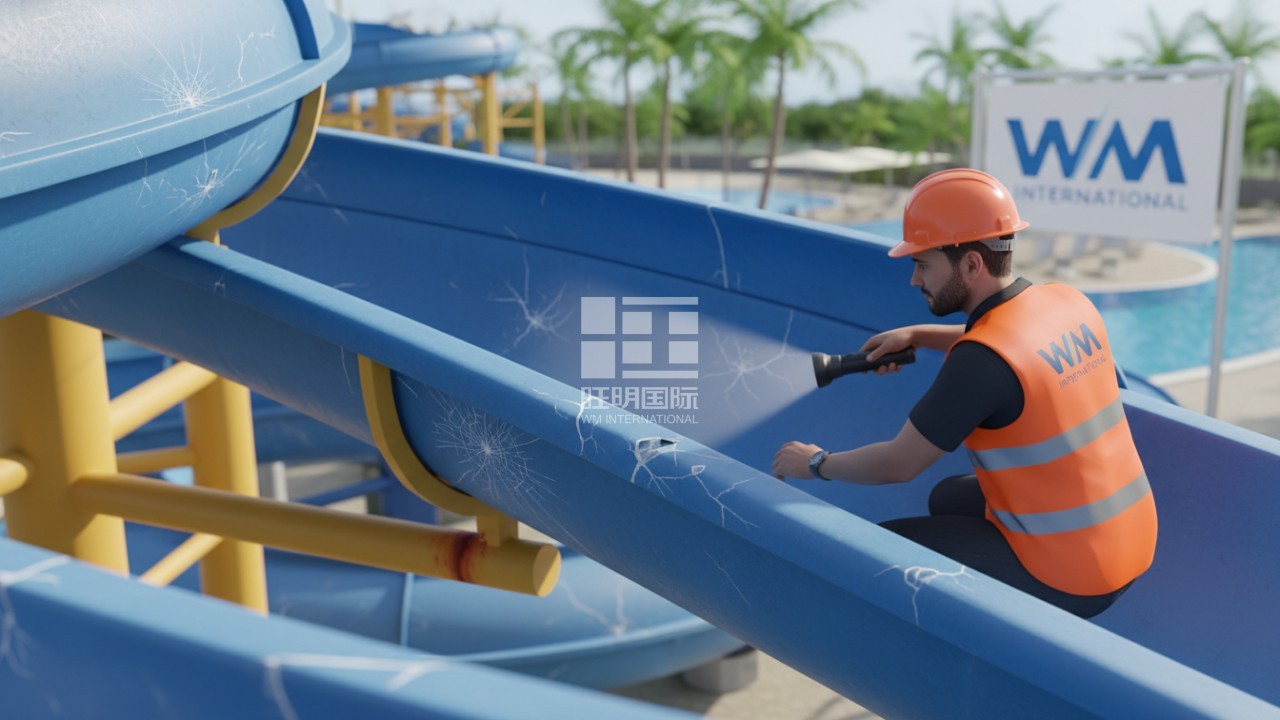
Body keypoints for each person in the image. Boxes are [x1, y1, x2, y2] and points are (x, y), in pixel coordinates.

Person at [772, 168, 1157, 618]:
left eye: (923, 264)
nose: (915, 280)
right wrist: (918, 333)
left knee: (875, 552)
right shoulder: (1066, 302)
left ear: (972, 263)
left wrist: (817, 463)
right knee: (947, 499)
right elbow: (1014, 347)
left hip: (1077, 575)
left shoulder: (980, 363)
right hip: (1129, 535)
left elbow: (898, 464)